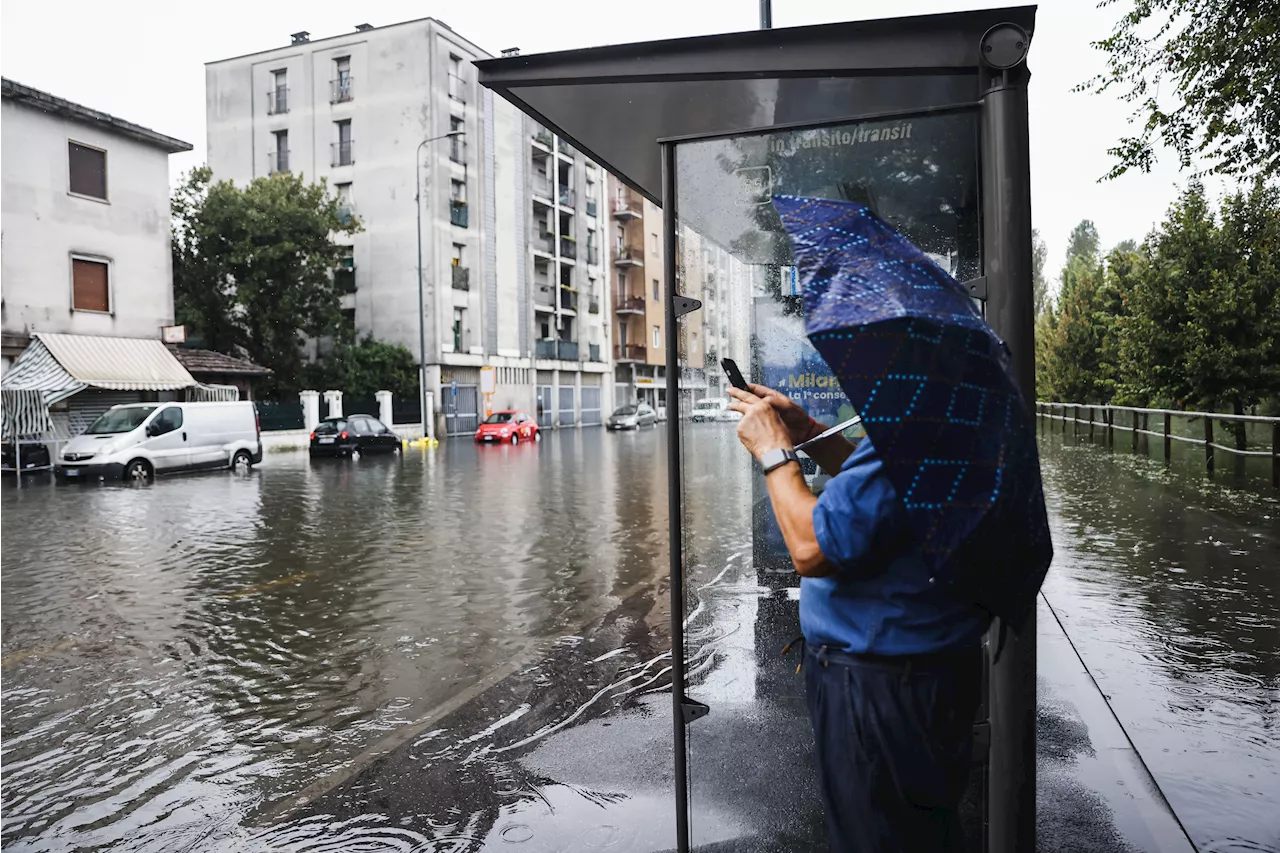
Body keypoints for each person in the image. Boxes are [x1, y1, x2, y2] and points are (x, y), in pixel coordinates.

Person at [726, 383, 991, 853]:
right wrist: (809, 431)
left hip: (882, 686)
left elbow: (812, 547)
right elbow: (880, 492)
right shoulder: (947, 416)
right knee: (919, 830)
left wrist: (773, 451)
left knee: (877, 834)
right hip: (923, 671)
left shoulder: (916, 428)